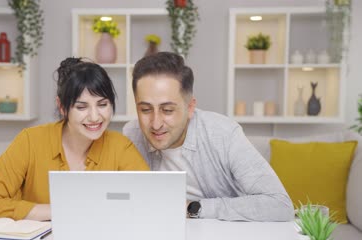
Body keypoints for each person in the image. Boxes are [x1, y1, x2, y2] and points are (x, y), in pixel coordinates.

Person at [0, 57, 149, 222]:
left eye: (102, 105)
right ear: (62, 107)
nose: (95, 117)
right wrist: (60, 210)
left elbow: (150, 203)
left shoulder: (121, 147)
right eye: (81, 107)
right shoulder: (29, 141)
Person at [123, 52, 294, 221]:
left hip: (224, 239)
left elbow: (279, 205)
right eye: (145, 110)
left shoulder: (223, 133)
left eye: (167, 110)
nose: (155, 123)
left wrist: (193, 208)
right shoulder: (132, 133)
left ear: (190, 107)